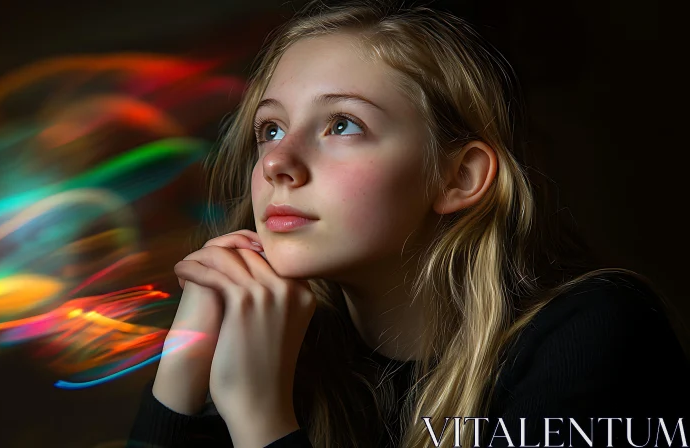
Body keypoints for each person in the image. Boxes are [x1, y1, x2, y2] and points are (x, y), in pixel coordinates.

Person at [126, 1, 690, 447]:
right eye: (270, 129)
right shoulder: (283, 343)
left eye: (342, 125)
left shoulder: (595, 335)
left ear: (458, 177)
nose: (276, 162)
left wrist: (260, 417)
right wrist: (185, 365)